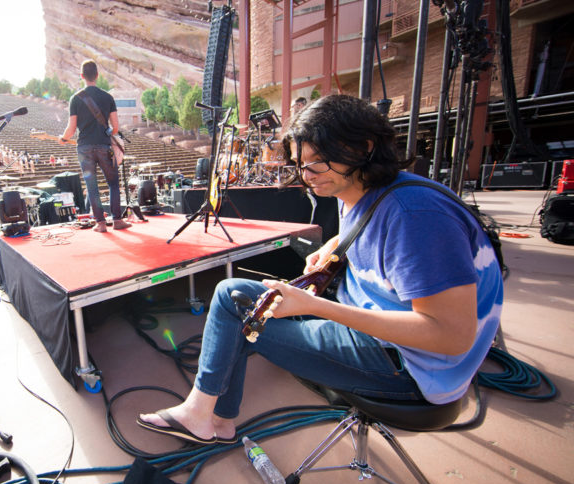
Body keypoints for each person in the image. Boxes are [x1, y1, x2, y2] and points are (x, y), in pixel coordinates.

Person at [138, 94, 503, 444]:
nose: (307, 174)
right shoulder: (364, 190)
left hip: (413, 371)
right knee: (231, 293)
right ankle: (215, 417)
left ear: (364, 147)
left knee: (235, 313)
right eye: (301, 163)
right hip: (384, 337)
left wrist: (315, 306)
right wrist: (333, 247)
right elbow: (366, 231)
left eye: (318, 161)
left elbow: (451, 336)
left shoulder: (416, 216)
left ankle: (204, 414)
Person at [59, 59, 130, 232]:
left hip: (84, 148)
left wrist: (63, 138)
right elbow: (115, 128)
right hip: (104, 147)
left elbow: (71, 128)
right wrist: (106, 133)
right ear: (97, 76)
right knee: (113, 183)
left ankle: (100, 224)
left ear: (82, 76)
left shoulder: (76, 98)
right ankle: (118, 220)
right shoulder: (108, 97)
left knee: (92, 186)